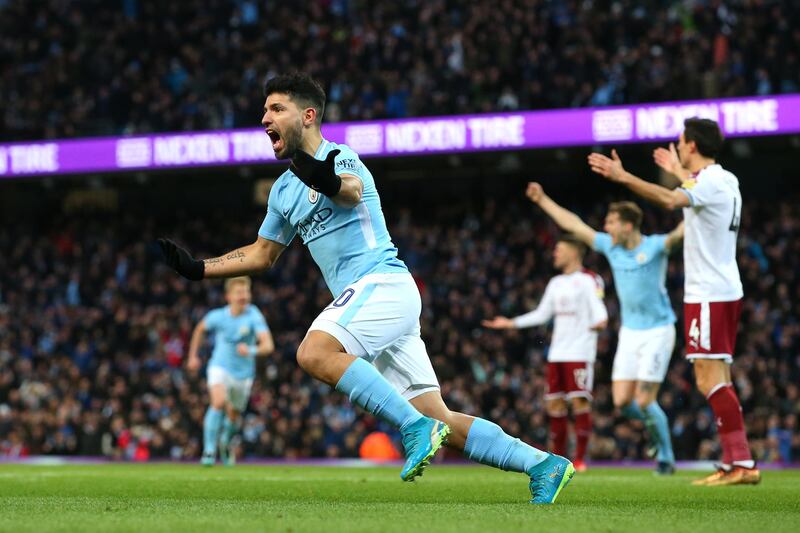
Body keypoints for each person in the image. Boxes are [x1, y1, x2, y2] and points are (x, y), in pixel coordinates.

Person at [157, 72, 573, 503]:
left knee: (314, 352)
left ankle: (413, 428)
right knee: (439, 416)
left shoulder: (341, 158)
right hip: (377, 301)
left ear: (308, 115)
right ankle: (542, 464)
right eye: (264, 110)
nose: (265, 118)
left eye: (276, 109)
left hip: (383, 282)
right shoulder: (283, 189)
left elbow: (351, 192)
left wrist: (325, 180)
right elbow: (262, 254)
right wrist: (198, 269)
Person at [588, 117, 760, 485]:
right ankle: (735, 462)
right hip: (723, 289)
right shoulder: (726, 179)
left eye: (681, 142)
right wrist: (678, 170)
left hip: (709, 294)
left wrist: (624, 177)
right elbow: (690, 186)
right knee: (720, 378)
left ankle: (742, 463)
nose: (678, 146)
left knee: (708, 378)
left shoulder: (709, 182)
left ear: (692, 146)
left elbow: (669, 199)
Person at [525, 183, 683, 474]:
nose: (605, 227)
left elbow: (681, 233)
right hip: (630, 332)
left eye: (611, 222)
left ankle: (666, 457)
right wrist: (543, 199)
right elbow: (574, 224)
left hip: (659, 330)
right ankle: (654, 427)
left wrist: (700, 203)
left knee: (645, 400)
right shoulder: (611, 247)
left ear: (627, 225)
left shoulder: (656, 246)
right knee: (623, 402)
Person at [483, 235, 608, 473]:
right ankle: (559, 460)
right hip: (557, 353)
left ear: (574, 252)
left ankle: (580, 459)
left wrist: (601, 321)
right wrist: (511, 323)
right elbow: (542, 314)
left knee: (579, 401)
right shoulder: (556, 283)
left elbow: (598, 308)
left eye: (559, 250)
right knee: (555, 406)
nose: (555, 254)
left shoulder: (589, 280)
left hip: (580, 351)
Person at [186, 276, 274, 466]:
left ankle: (225, 442)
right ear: (228, 296)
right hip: (220, 366)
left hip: (243, 375)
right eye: (239, 292)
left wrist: (251, 350)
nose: (243, 296)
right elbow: (200, 329)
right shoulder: (218, 316)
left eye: (246, 292)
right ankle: (209, 451)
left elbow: (268, 345)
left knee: (234, 415)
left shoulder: (254, 315)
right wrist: (193, 356)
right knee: (217, 401)